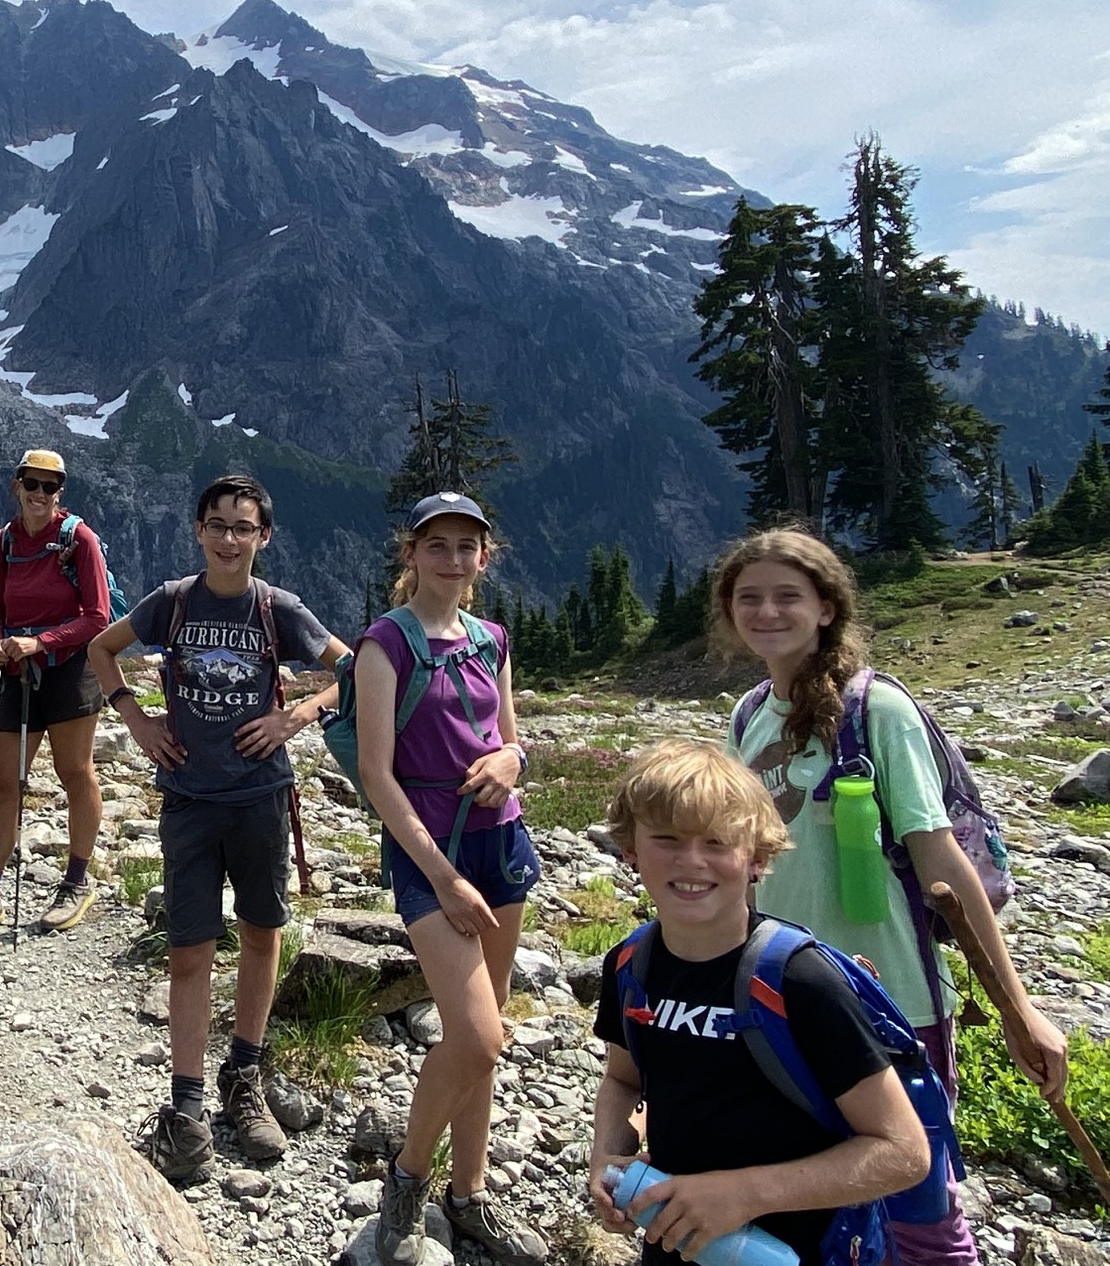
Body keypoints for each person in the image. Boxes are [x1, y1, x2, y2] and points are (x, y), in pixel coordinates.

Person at [712, 527, 1068, 1266]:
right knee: (809, 1207)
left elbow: (943, 864)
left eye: (787, 596)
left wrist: (1018, 1009)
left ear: (827, 608)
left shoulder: (878, 710)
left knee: (919, 1214)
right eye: (750, 598)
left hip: (891, 1002)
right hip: (780, 995)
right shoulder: (749, 715)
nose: (767, 612)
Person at [87, 473, 347, 1180]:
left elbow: (353, 668)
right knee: (189, 951)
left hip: (261, 796)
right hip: (190, 799)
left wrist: (296, 716)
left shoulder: (278, 608)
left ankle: (244, 1075)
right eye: (218, 525)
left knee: (263, 933)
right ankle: (187, 1107)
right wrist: (137, 721)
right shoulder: (172, 602)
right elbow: (101, 649)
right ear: (199, 530)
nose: (230, 539)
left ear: (264, 536)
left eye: (244, 527)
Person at [588, 740, 931, 1266]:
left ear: (757, 858)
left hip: (798, 1250)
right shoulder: (631, 965)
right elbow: (624, 1080)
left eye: (717, 842)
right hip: (676, 1243)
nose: (692, 861)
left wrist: (744, 1194)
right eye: (667, 839)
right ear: (630, 849)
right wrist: (609, 1157)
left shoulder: (801, 981)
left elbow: (904, 1152)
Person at [354, 493, 544, 1265]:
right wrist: (442, 876)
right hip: (432, 855)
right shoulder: (383, 645)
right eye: (438, 544)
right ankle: (407, 1179)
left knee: (482, 1043)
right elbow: (376, 775)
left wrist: (512, 761)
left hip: (501, 845)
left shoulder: (491, 639)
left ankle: (470, 1195)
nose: (453, 558)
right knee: (477, 1034)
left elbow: (510, 739)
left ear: (483, 559)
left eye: (467, 546)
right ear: (412, 553)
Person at [0, 449, 112, 937]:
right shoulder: (4, 543)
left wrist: (41, 641)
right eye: (31, 484)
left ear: (60, 492)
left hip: (69, 668)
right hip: (18, 669)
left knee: (74, 771)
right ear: (16, 485)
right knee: (4, 783)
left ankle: (76, 882)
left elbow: (98, 617)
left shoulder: (79, 539)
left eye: (49, 486)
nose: (39, 493)